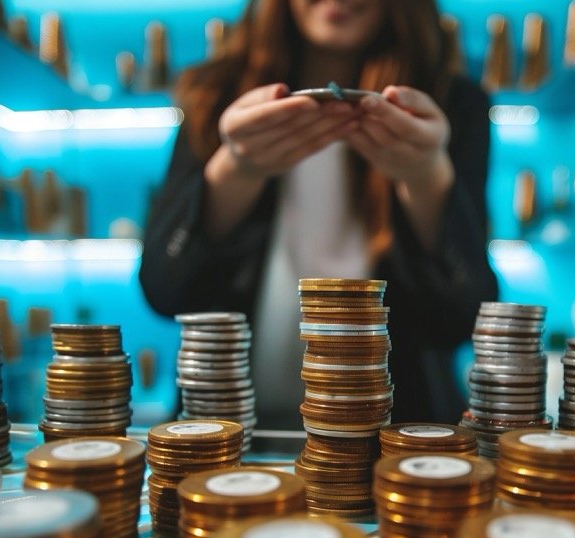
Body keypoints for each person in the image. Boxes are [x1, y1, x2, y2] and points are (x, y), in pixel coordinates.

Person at [140, 0, 498, 428]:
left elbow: (463, 316)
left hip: (395, 438)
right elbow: (166, 290)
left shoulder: (454, 104)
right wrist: (235, 169)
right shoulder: (214, 95)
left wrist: (426, 177)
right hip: (228, 435)